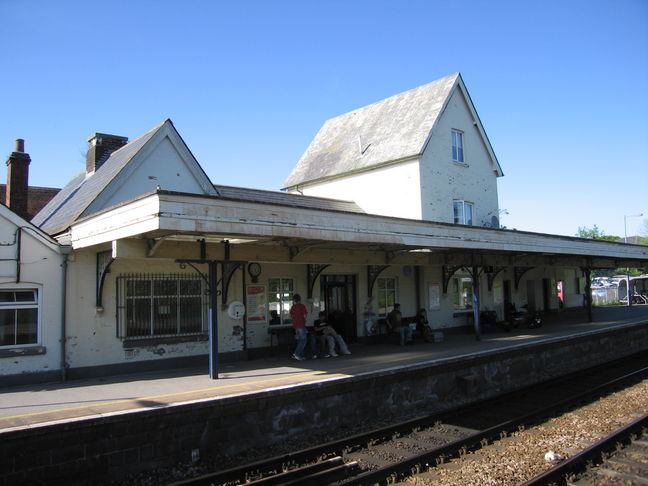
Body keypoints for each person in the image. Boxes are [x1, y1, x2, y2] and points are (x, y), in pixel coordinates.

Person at [289, 294, 308, 360]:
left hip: (295, 326)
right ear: (300, 299)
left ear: (294, 300)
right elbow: (305, 315)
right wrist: (304, 321)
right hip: (301, 325)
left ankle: (300, 356)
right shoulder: (302, 306)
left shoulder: (293, 307)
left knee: (300, 341)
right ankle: (296, 354)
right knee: (304, 341)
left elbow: (290, 316)